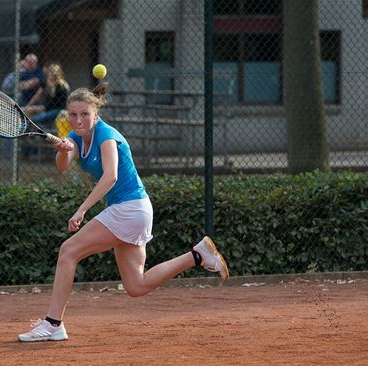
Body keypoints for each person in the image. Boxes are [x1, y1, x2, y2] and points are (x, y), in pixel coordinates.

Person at [17, 83, 229, 342]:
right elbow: (63, 166)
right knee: (136, 285)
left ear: (96, 114)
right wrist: (63, 151)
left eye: (84, 114)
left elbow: (111, 177)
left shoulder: (106, 136)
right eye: (73, 114)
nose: (78, 119)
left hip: (130, 209)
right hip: (132, 211)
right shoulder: (74, 136)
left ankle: (53, 323)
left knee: (68, 251)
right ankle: (196, 256)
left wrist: (81, 210)